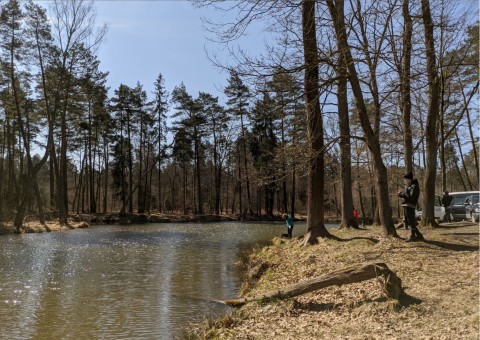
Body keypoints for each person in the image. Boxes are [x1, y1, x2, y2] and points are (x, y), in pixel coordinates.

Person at [397, 171, 424, 242]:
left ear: (409, 179)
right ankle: (419, 235)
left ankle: (413, 237)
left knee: (411, 221)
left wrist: (402, 194)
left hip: (410, 206)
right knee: (407, 221)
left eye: (406, 179)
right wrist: (401, 195)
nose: (405, 180)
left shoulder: (414, 186)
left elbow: (410, 198)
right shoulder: (410, 186)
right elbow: (407, 196)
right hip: (407, 205)